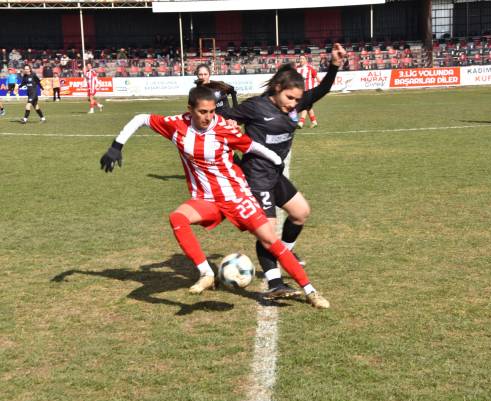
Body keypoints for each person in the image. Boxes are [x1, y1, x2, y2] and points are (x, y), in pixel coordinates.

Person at [98, 85, 330, 309]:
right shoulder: (176, 125)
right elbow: (141, 117)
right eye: (202, 112)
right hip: (206, 200)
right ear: (189, 109)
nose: (209, 117)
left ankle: (310, 291)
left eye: (211, 111)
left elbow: (251, 147)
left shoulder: (223, 128)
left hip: (236, 197)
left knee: (270, 241)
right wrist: (116, 146)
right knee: (177, 218)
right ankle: (207, 273)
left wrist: (276, 160)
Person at [221, 43, 347, 299]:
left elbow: (322, 89)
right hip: (255, 177)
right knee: (267, 233)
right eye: (290, 98)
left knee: (301, 213)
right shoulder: (255, 107)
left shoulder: (295, 106)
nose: (294, 104)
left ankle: (285, 254)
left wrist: (334, 65)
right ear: (277, 89)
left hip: (274, 174)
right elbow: (225, 116)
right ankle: (274, 282)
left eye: (298, 100)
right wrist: (223, 110)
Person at [295, 55, 321, 128]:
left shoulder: (310, 69)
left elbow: (317, 78)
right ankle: (314, 121)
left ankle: (301, 122)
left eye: (303, 59)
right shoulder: (297, 69)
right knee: (308, 107)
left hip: (309, 91)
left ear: (306, 60)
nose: (301, 60)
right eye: (300, 58)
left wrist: (321, 86)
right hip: (300, 91)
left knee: (305, 105)